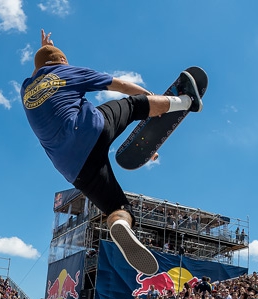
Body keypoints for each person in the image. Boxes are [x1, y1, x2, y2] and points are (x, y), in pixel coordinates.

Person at [22, 29, 201, 276]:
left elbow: (39, 67)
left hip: (71, 167)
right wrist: (151, 103)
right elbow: (121, 85)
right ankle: (188, 101)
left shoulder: (26, 89)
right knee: (132, 104)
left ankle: (119, 223)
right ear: (63, 61)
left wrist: (44, 50)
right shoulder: (66, 72)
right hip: (87, 130)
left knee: (117, 207)